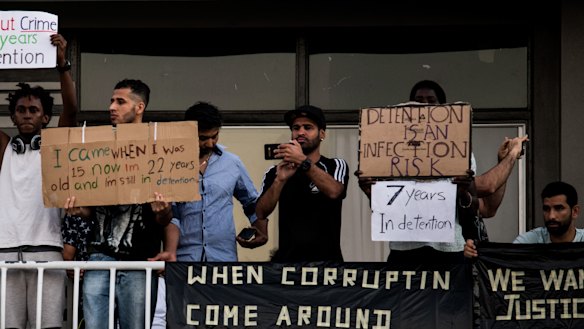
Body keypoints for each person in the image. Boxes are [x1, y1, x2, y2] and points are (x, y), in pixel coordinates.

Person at [64, 79, 172, 329]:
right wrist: (80, 211)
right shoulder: (97, 145)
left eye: (120, 101)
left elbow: (166, 217)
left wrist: (164, 211)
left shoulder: (159, 147)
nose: (112, 106)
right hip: (99, 256)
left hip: (140, 260)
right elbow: (93, 208)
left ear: (139, 107)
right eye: (111, 101)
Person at [150, 101, 267, 327]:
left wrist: (261, 228)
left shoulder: (232, 163)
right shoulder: (170, 164)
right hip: (184, 262)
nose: (211, 142)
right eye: (204, 138)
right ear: (188, 132)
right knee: (182, 322)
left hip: (223, 262)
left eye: (215, 136)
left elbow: (251, 201)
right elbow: (171, 213)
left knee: (222, 322)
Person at [0, 34, 78, 329]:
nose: (27, 115)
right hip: (5, 252)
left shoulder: (54, 148)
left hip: (47, 251)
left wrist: (63, 66)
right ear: (12, 115)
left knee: (48, 326)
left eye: (34, 110)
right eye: (21, 110)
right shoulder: (5, 148)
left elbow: (70, 111)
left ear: (46, 117)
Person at [256, 105, 349, 262]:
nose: (300, 132)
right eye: (296, 128)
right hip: (287, 263)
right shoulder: (276, 171)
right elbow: (260, 212)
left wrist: (303, 162)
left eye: (308, 127)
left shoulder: (335, 165)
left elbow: (335, 191)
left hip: (327, 263)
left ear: (322, 134)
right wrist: (280, 180)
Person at [465, 181, 583, 257]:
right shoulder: (529, 241)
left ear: (575, 212)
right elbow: (505, 262)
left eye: (559, 208)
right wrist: (477, 252)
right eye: (546, 209)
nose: (551, 216)